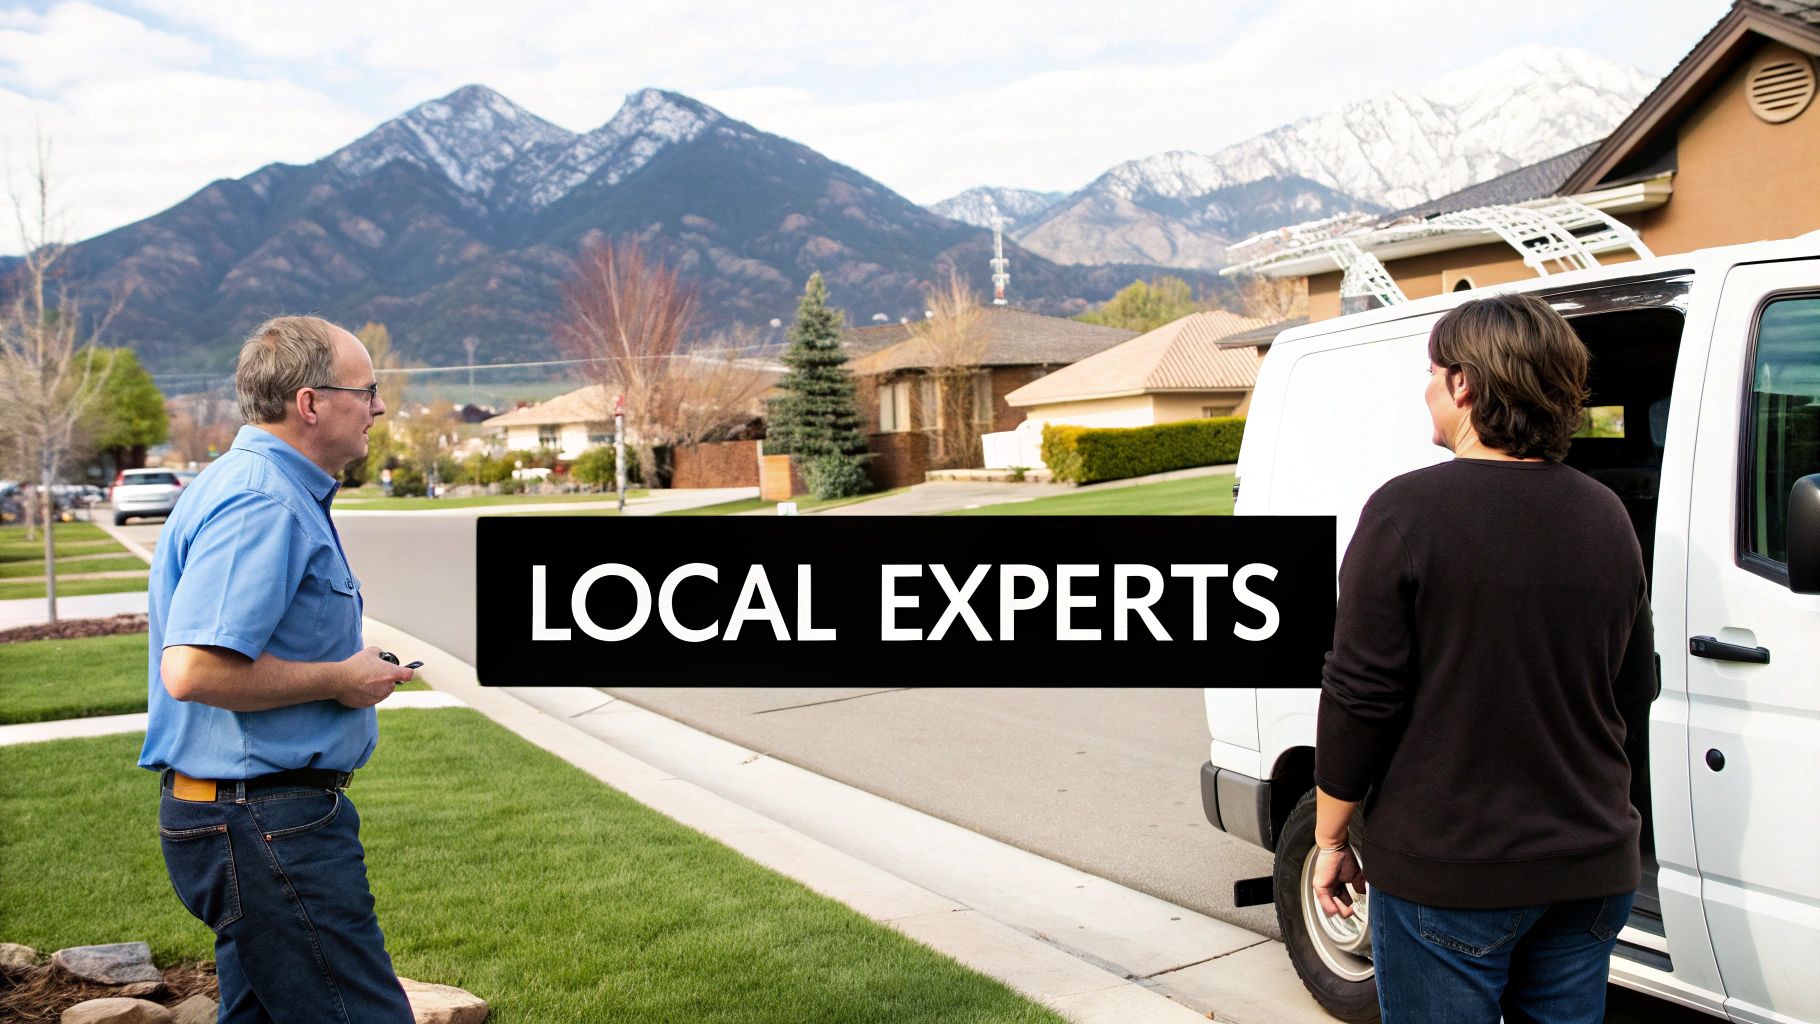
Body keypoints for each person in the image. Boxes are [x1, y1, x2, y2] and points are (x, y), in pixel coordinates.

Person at [1311, 294, 1656, 1024]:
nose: (1428, 389)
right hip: (1590, 868)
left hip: (1454, 873)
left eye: (1433, 373)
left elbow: (1360, 696)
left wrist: (1331, 836)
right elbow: (1630, 690)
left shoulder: (1406, 512)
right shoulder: (1607, 515)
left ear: (1465, 386)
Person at [139, 315, 418, 1024]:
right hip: (264, 823)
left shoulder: (266, 488)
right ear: (311, 403)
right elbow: (194, 671)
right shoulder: (262, 499)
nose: (380, 407)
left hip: (252, 818)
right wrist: (339, 679)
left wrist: (348, 667)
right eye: (368, 390)